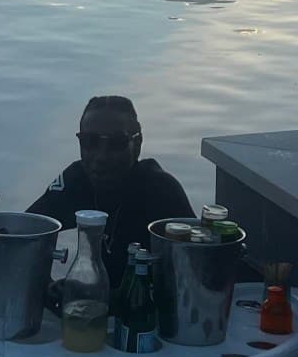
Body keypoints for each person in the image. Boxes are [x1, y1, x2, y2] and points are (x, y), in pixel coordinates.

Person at [28, 96, 192, 266]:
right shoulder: (76, 179)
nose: (101, 156)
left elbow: (199, 268)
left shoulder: (161, 190)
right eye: (90, 141)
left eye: (116, 143)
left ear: (137, 144)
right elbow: (23, 232)